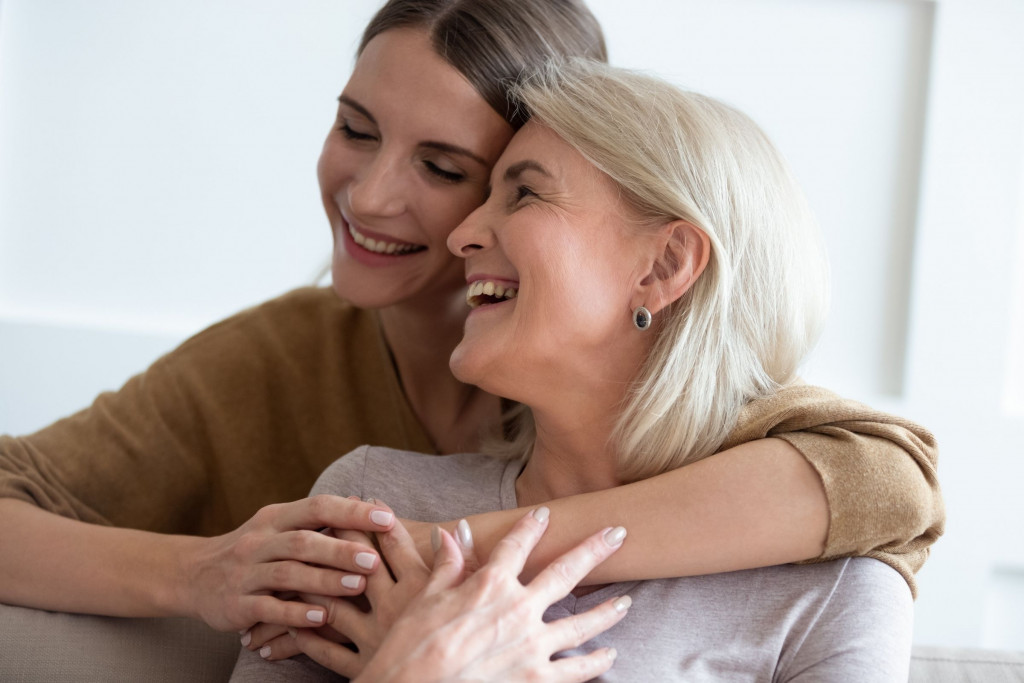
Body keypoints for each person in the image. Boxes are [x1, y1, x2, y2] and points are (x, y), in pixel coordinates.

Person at [0, 0, 938, 675]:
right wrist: (201, 572)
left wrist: (444, 555)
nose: (369, 198)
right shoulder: (305, 395)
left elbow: (889, 479)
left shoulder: (776, 507)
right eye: (355, 129)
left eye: (457, 170)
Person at [232, 59, 917, 681]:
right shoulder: (370, 509)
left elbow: (895, 477)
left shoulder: (833, 585)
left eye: (525, 195)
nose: (461, 235)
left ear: (663, 266)